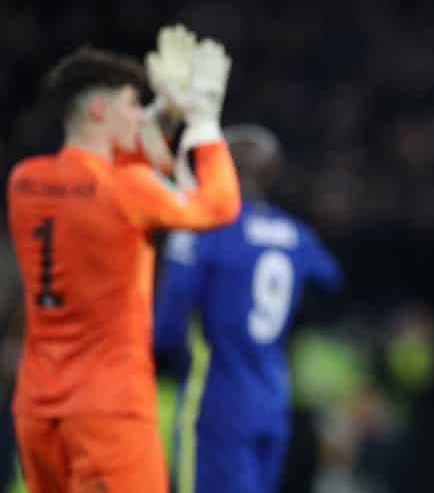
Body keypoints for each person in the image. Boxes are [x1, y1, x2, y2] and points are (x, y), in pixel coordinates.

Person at [6, 32, 240, 493]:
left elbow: (95, 183)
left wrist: (159, 116)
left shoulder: (24, 181)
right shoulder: (127, 190)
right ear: (99, 111)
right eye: (133, 105)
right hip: (109, 411)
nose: (139, 115)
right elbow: (219, 206)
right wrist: (204, 123)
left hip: (38, 407)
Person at [153, 123, 342, 493]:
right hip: (272, 397)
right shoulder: (296, 234)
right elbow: (330, 280)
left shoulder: (202, 228)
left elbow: (168, 326)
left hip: (215, 401)